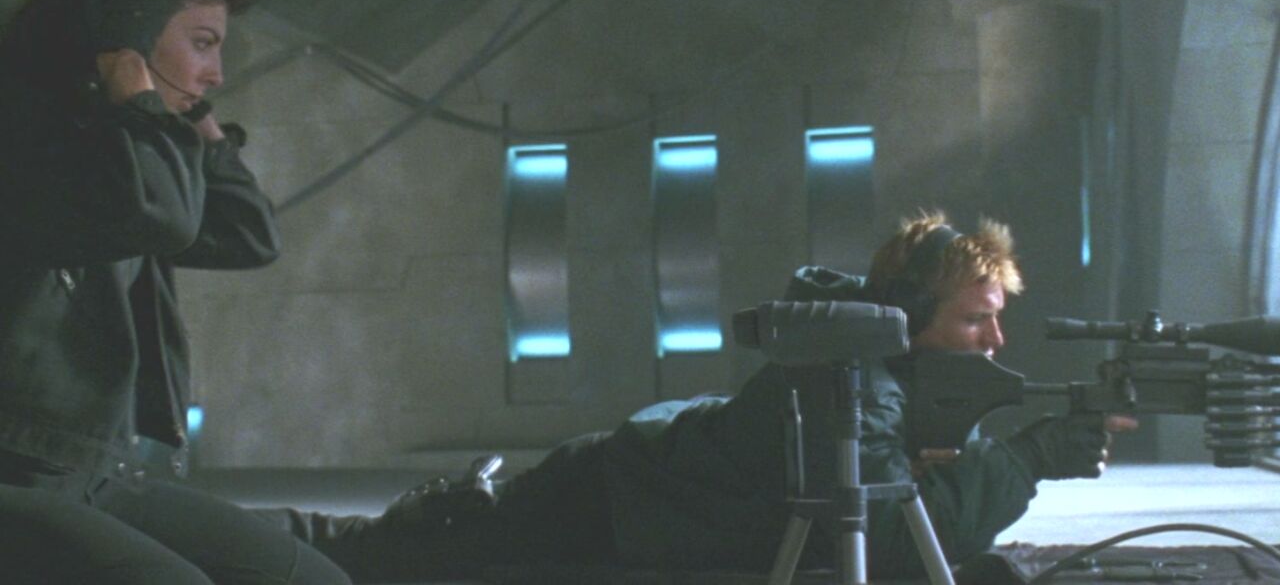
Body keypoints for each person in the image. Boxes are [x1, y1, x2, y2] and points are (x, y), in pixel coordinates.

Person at [269, 212, 1127, 582]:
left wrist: (1016, 456)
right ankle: (221, 545)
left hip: (644, 498)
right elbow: (890, 536)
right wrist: (1028, 459)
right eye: (976, 319)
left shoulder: (886, 372)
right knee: (381, 559)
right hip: (611, 500)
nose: (995, 340)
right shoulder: (853, 381)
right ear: (906, 314)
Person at [0, 0, 352, 584]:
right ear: (128, 34)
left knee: (310, 579)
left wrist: (196, 121)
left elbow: (247, 234)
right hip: (17, 467)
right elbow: (159, 217)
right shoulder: (30, 134)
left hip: (91, 470)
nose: (214, 73)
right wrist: (139, 93)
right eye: (201, 43)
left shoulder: (120, 145)